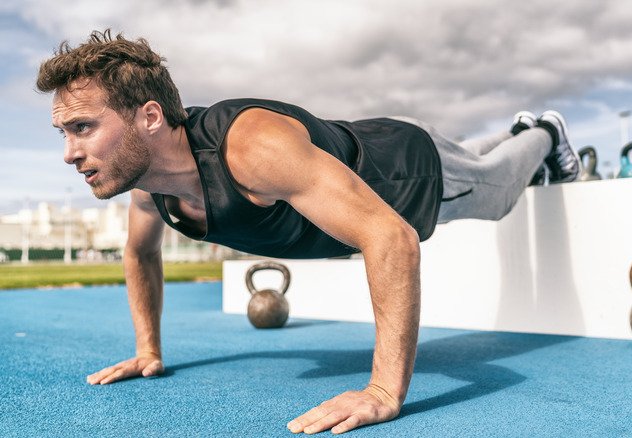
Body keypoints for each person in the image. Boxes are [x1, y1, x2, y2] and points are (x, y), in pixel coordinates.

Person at [36, 30, 580, 435]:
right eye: (64, 132)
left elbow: (392, 239)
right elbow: (139, 253)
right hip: (368, 149)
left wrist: (384, 392)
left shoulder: (250, 149)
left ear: (149, 117)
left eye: (83, 127)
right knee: (474, 159)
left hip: (406, 173)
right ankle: (512, 132)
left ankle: (543, 133)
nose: (69, 153)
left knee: (501, 189)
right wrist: (148, 350)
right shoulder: (150, 185)